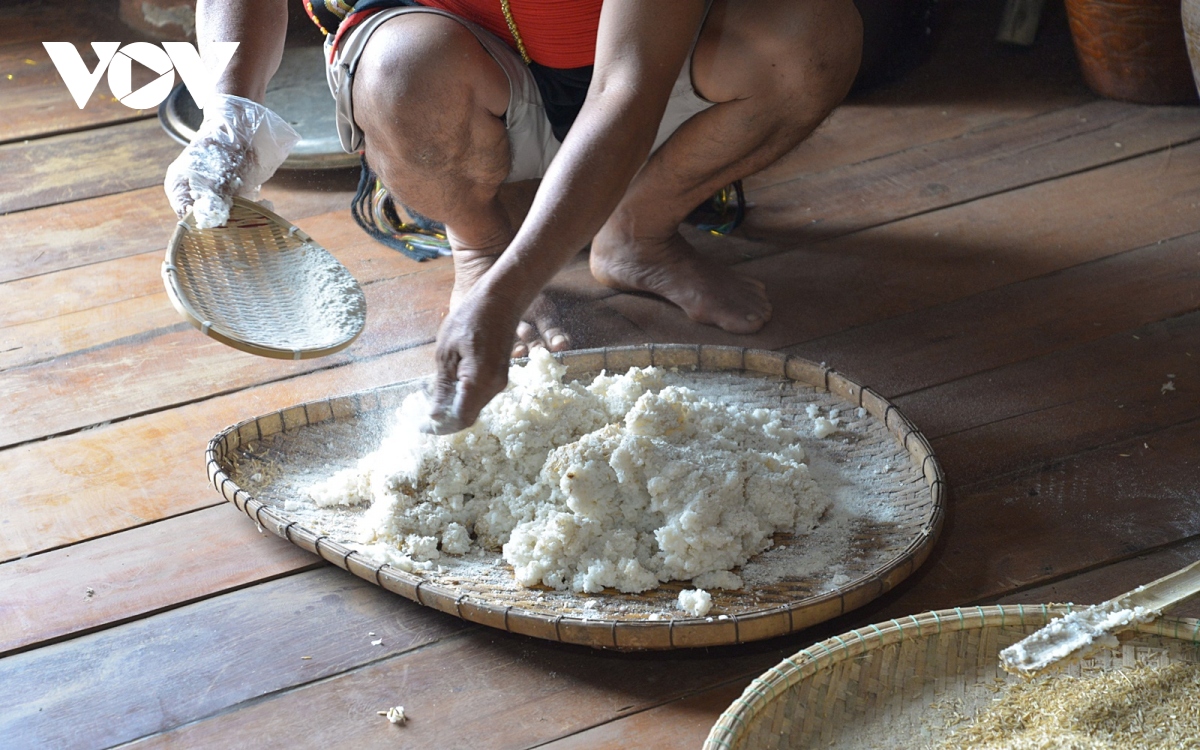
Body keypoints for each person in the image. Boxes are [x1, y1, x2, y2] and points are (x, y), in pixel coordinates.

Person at [165, 0, 863, 433]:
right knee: (400, 71)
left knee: (811, 36)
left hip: (653, 64)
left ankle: (638, 233)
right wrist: (229, 111)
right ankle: (478, 246)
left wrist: (512, 295)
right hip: (462, 61)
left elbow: (630, 87)